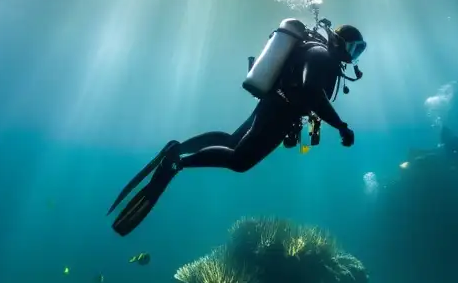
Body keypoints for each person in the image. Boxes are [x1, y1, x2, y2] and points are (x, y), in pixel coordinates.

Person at [109, 23, 367, 236]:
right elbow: (311, 91)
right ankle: (177, 162)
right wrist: (341, 126)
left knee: (233, 141)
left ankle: (178, 148)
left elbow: (309, 92)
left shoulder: (318, 54)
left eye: (360, 51)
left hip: (274, 104)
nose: (354, 55)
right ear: (337, 42)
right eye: (354, 48)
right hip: (279, 113)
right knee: (239, 161)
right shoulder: (321, 56)